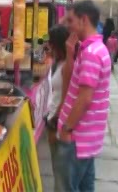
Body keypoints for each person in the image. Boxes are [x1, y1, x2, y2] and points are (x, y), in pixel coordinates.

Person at [54, 0, 111, 192]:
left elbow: (85, 98)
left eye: (71, 20)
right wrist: (71, 53)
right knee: (85, 187)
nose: (67, 24)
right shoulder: (92, 49)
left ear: (83, 20)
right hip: (87, 139)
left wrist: (67, 128)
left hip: (77, 138)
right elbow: (71, 83)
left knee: (66, 188)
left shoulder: (91, 53)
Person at [45, 25, 70, 189]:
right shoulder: (60, 62)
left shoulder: (68, 65)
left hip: (57, 121)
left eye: (51, 42)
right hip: (54, 117)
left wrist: (55, 120)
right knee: (58, 169)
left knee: (60, 172)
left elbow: (68, 96)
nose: (48, 45)